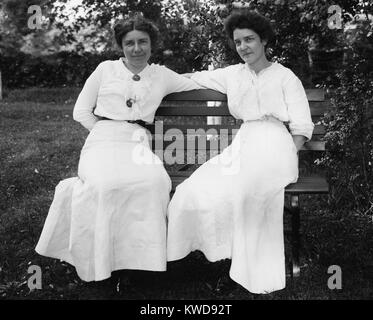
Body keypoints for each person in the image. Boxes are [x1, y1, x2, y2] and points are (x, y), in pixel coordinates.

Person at [35, 15, 200, 283]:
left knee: (153, 181)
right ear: (121, 45)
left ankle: (143, 261)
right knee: (104, 184)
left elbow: (196, 82)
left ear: (151, 44)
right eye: (130, 43)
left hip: (136, 140)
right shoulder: (105, 70)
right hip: (103, 139)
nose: (137, 49)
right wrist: (103, 131)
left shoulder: (161, 75)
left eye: (142, 42)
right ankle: (103, 259)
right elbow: (81, 111)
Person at [166, 10, 314, 294]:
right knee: (196, 187)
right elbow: (194, 78)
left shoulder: (285, 77)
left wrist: (288, 154)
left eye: (250, 39)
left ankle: (244, 270)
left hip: (276, 146)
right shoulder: (232, 74)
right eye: (238, 42)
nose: (244, 47)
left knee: (247, 189)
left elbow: (302, 126)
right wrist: (153, 77)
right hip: (244, 144)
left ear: (264, 40)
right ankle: (218, 256)